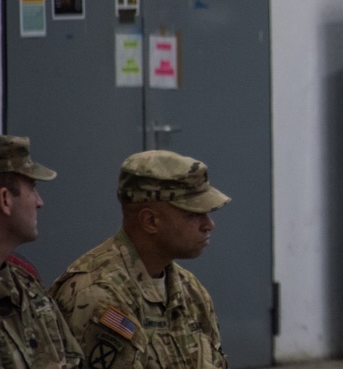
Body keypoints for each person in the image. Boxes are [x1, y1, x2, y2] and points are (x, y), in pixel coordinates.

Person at [50, 150, 231, 368]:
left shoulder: (190, 290)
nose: (209, 225)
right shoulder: (97, 294)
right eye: (193, 214)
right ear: (151, 221)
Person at [0, 134, 84, 368]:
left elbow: (72, 361)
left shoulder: (26, 286)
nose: (40, 202)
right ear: (5, 199)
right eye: (33, 188)